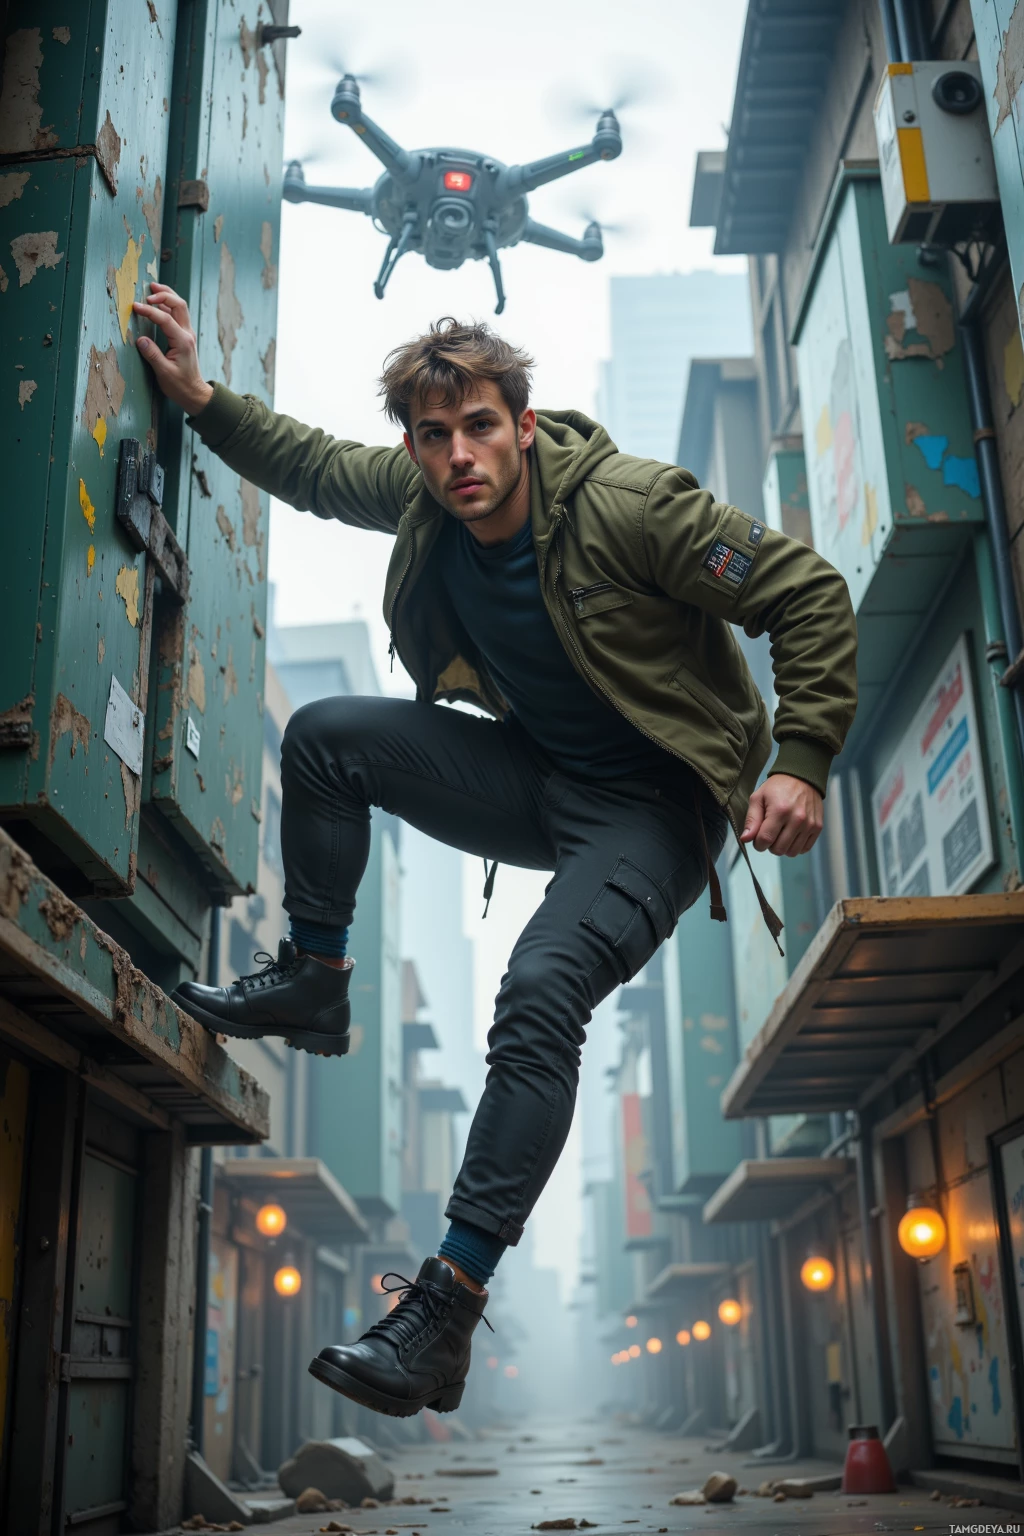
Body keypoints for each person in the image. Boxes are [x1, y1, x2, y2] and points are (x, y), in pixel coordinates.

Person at [133, 285, 857, 1420]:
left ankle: (444, 1305)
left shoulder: (629, 508)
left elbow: (804, 595)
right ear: (416, 446)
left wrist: (799, 757)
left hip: (653, 810)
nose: (457, 455)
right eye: (432, 435)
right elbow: (316, 467)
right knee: (327, 740)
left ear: (523, 422)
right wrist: (200, 398)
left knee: (539, 990)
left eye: (478, 425)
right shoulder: (428, 502)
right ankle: (317, 979)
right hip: (534, 781)